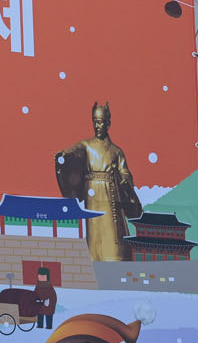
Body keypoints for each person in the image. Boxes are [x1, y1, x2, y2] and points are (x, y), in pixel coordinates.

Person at [54, 100, 143, 262]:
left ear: (108, 123)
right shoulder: (86, 145)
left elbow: (125, 173)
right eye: (95, 122)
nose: (98, 126)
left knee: (114, 232)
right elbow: (73, 153)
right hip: (93, 194)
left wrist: (124, 180)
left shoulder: (116, 151)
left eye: (101, 122)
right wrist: (64, 156)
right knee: (95, 232)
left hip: (111, 194)